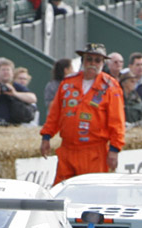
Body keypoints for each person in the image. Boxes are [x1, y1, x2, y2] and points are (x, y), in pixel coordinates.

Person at [40, 44, 125, 185]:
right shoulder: (67, 83)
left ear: (103, 63)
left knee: (92, 194)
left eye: (97, 60)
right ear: (82, 61)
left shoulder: (111, 87)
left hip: (94, 152)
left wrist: (114, 149)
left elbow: (117, 121)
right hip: (67, 149)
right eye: (89, 59)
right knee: (61, 192)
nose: (92, 64)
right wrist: (46, 136)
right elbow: (55, 114)